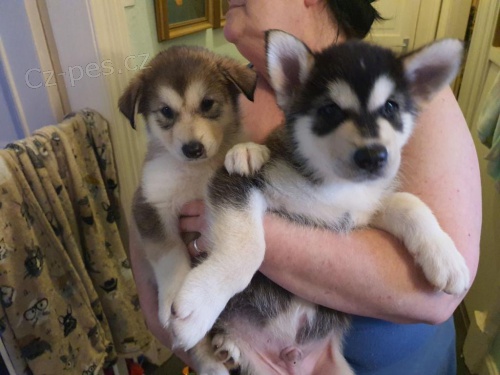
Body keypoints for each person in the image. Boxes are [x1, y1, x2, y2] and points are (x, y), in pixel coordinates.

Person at [129, 0, 482, 373]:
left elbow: (436, 297)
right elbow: (160, 293)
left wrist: (231, 250)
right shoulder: (230, 86)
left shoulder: (396, 87)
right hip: (240, 350)